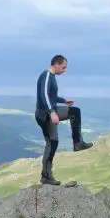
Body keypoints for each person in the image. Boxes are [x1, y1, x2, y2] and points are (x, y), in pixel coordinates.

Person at [35, 54, 93, 185]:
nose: (64, 70)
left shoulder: (52, 77)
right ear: (56, 64)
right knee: (53, 142)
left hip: (51, 110)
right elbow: (44, 95)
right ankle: (46, 176)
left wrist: (63, 101)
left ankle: (78, 144)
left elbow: (51, 96)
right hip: (44, 114)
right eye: (63, 67)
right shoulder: (47, 76)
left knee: (75, 111)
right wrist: (52, 113)